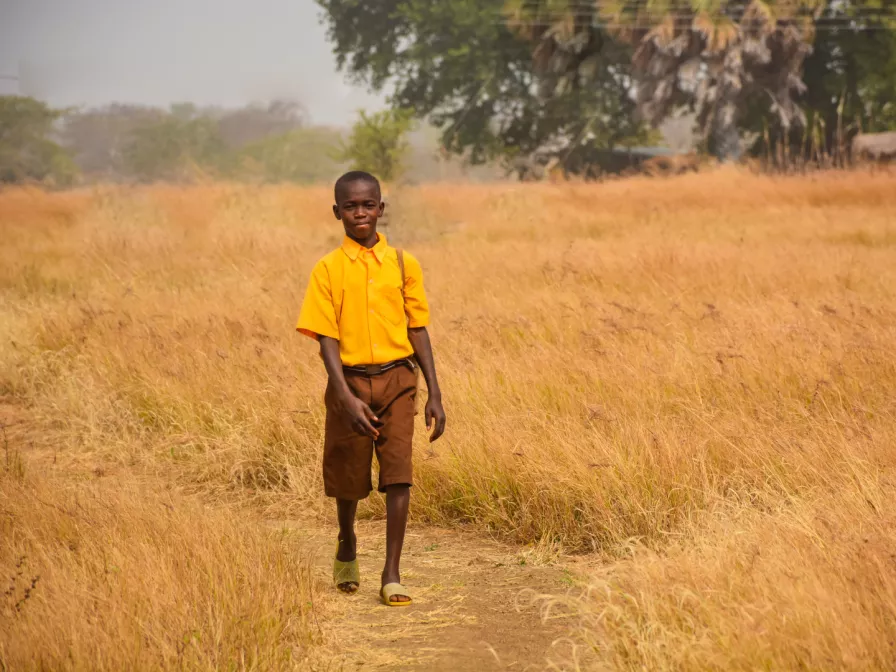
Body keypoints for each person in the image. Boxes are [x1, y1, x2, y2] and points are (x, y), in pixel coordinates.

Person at [296, 170, 446, 606]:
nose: (359, 213)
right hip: (351, 383)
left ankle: (391, 573)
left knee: (398, 475)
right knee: (349, 477)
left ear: (381, 208)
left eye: (367, 205)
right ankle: (346, 542)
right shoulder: (327, 269)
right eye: (350, 206)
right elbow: (326, 338)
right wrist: (343, 396)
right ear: (337, 212)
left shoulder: (404, 264)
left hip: (399, 379)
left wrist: (434, 391)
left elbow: (417, 329)